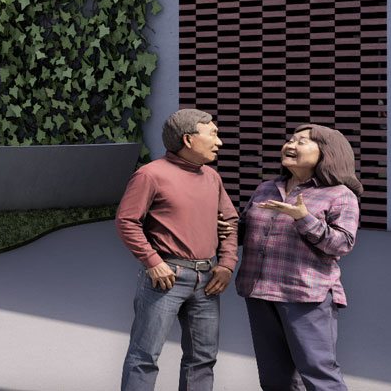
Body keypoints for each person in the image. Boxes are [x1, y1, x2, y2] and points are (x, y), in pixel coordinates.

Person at [116, 107, 239, 391]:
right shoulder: (149, 175)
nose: (219, 142)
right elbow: (126, 221)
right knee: (144, 356)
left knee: (203, 358)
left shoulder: (212, 177)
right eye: (213, 134)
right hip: (166, 278)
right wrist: (152, 261)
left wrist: (227, 263)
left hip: (208, 281)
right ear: (188, 139)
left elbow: (230, 219)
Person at [236, 124, 363, 391]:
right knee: (274, 378)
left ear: (326, 153)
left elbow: (342, 244)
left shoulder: (340, 195)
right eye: (290, 140)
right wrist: (228, 229)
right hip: (259, 292)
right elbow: (246, 231)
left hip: (306, 294)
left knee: (318, 373)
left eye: (302, 142)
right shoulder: (266, 189)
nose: (290, 145)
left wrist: (303, 218)